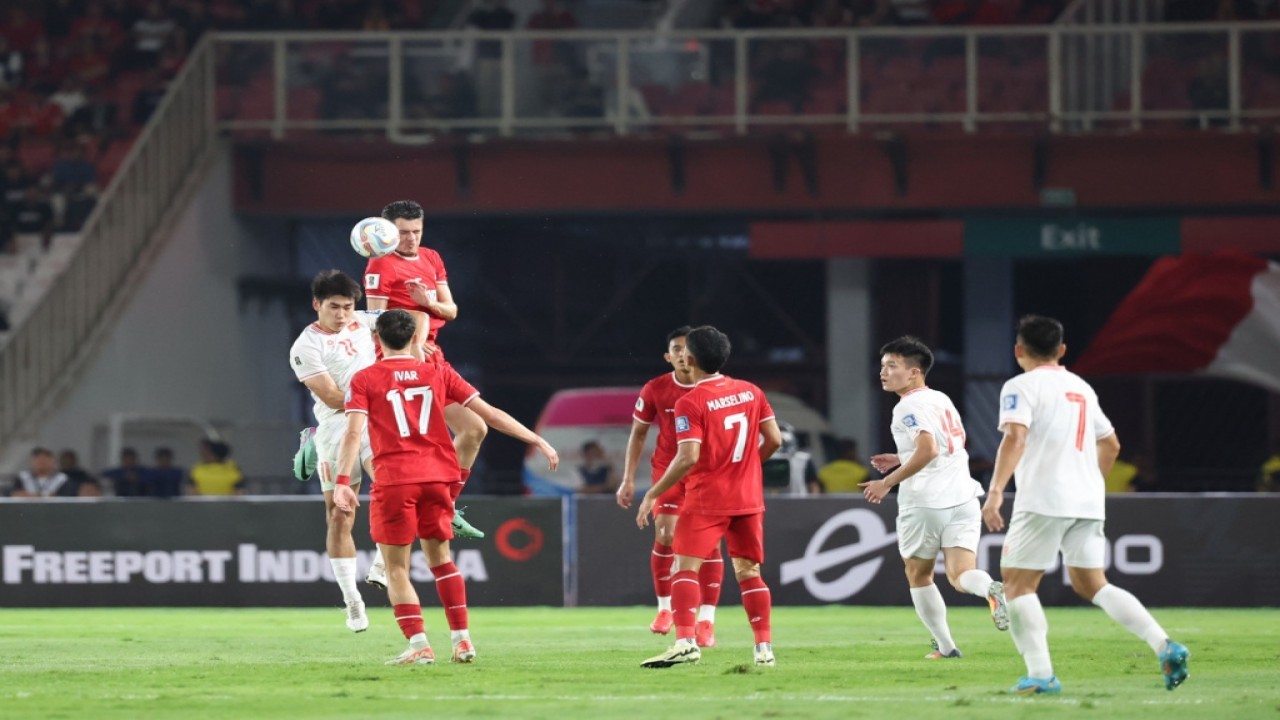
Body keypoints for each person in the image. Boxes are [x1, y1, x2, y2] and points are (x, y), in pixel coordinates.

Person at [331, 309, 559, 665]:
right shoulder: (437, 372)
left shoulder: (365, 379)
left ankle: (419, 643)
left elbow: (353, 433)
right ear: (414, 339)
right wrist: (538, 441)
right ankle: (462, 641)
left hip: (395, 479)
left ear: (377, 341)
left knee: (396, 568)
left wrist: (344, 482)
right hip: (438, 477)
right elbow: (490, 415)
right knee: (442, 561)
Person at [982, 315, 1189, 695]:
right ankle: (1164, 644)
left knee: (1017, 585)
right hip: (1087, 500)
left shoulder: (1021, 386)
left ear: (1018, 351)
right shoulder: (1081, 387)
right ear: (1061, 350)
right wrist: (1091, 481)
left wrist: (995, 490)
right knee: (1092, 583)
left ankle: (1041, 675)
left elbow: (1015, 436)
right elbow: (1111, 444)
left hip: (1043, 498)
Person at [635, 325, 783, 668]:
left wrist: (652, 493)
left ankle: (685, 642)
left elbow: (687, 457)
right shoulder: (751, 391)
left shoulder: (691, 401)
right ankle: (764, 649)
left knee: (684, 566)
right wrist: (745, 468)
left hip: (707, 498)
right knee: (749, 571)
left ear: (688, 358)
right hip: (747, 498)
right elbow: (774, 440)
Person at [860, 336, 1008, 661]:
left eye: (892, 366)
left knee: (919, 574)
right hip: (964, 497)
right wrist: (901, 456)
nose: (883, 372)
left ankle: (946, 647)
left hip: (926, 501)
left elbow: (928, 449)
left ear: (914, 372)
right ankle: (990, 589)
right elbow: (944, 445)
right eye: (883, 365)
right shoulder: (940, 398)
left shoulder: (906, 407)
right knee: (960, 575)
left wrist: (887, 482)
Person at [364, 199, 487, 538]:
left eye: (416, 231)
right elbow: (374, 324)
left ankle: (445, 510)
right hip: (402, 362)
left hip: (434, 359)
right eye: (403, 233)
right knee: (417, 447)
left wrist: (428, 304)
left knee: (475, 429)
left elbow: (451, 311)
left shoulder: (432, 257)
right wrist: (409, 342)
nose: (411, 239)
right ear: (388, 232)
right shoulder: (379, 266)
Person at [289, 269, 386, 632]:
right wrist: (379, 394)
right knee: (339, 515)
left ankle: (379, 565)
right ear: (317, 305)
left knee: (394, 489)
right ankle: (352, 602)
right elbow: (331, 395)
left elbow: (404, 321)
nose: (343, 314)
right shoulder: (306, 346)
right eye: (334, 307)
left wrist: (419, 339)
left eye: (348, 306)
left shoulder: (364, 321)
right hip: (336, 424)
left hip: (374, 424)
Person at [617, 326, 725, 647]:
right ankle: (665, 609)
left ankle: (706, 620)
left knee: (709, 546)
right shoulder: (656, 389)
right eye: (675, 349)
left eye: (687, 348)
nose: (682, 354)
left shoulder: (716, 387)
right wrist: (627, 479)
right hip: (669, 470)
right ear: (668, 356)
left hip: (707, 474)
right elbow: (638, 434)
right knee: (665, 534)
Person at [8, 447, 92, 498]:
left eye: (45, 460)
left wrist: (32, 496)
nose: (41, 463)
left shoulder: (63, 480)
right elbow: (16, 494)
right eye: (38, 460)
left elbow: (65, 497)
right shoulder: (22, 478)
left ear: (53, 462)